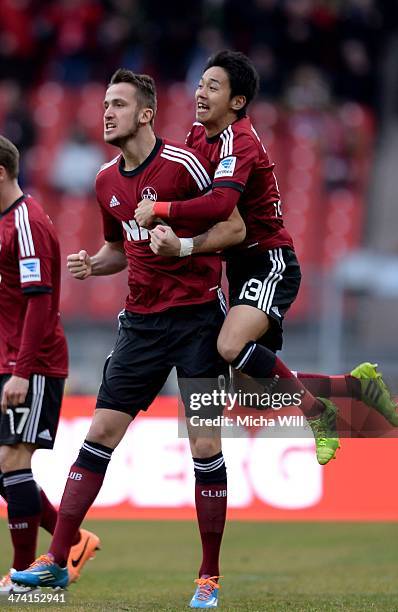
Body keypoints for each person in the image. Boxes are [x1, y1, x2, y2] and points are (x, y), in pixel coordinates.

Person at [12, 69, 245, 609]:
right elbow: (120, 247)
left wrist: (183, 248)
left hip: (199, 324)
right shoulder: (103, 181)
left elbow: (232, 227)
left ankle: (208, 576)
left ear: (145, 113)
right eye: (103, 105)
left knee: (205, 445)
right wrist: (93, 265)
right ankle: (57, 560)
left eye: (118, 104)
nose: (106, 114)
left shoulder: (183, 166)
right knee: (99, 434)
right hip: (141, 324)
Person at [135, 50, 398, 459]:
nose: (200, 92)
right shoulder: (195, 136)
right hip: (239, 267)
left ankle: (318, 413)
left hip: (269, 260)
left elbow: (221, 204)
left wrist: (162, 209)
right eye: (201, 83)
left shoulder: (238, 140)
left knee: (229, 346)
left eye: (213, 86)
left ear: (237, 102)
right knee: (253, 394)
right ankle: (354, 389)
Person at [0, 135, 99, 594]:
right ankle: (74, 540)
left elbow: (40, 302)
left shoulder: (28, 222)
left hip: (31, 362)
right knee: (2, 465)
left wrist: (22, 369)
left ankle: (24, 577)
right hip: (7, 358)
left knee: (12, 459)